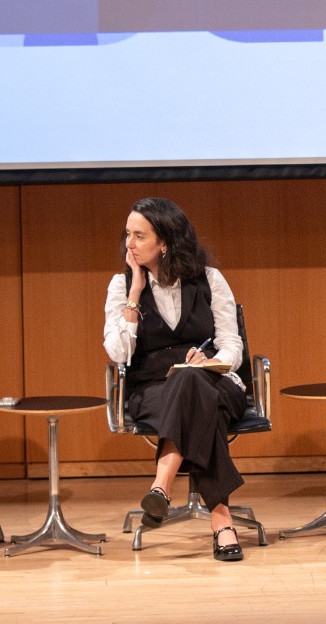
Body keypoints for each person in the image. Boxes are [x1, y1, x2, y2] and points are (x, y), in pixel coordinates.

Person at [102, 197, 249, 561]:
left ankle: (161, 486)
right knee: (197, 401)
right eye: (127, 235)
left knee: (193, 382)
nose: (129, 245)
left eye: (138, 236)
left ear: (164, 242)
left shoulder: (209, 279)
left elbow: (233, 345)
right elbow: (118, 354)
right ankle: (221, 520)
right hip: (153, 392)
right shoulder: (121, 287)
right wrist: (135, 296)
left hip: (217, 382)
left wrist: (211, 360)